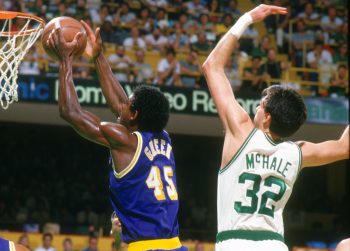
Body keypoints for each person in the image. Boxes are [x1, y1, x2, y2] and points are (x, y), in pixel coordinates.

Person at [201, 4, 349, 251]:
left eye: (259, 106)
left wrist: (247, 18)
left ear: (267, 117)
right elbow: (345, 147)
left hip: (234, 243)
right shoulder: (298, 153)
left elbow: (212, 66)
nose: (255, 110)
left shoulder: (241, 132)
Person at [46, 19, 187, 251]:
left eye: (129, 105)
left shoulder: (125, 141)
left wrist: (65, 59)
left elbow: (70, 112)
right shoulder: (164, 138)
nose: (122, 106)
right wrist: (98, 56)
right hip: (175, 245)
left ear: (135, 115)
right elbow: (121, 104)